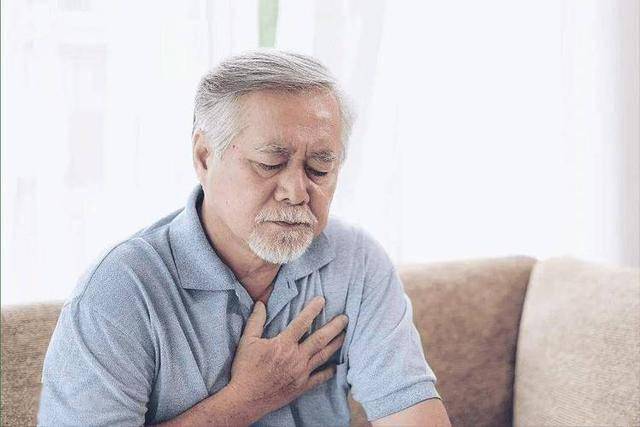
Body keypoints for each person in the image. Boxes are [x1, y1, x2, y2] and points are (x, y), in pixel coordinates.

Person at [37, 50, 451, 427]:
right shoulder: (120, 290)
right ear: (204, 157)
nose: (297, 191)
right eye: (270, 163)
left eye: (320, 169)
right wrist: (244, 402)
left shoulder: (356, 260)